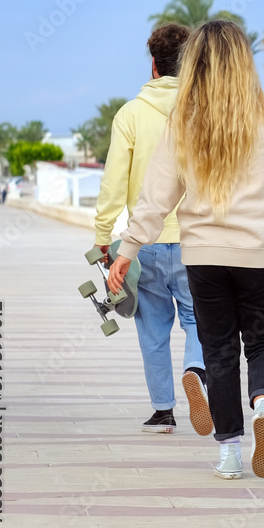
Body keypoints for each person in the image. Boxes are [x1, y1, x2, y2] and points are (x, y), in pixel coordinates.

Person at [107, 20, 264, 480]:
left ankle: (230, 452)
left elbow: (156, 197)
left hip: (204, 258)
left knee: (219, 350)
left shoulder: (183, 118)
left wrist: (127, 249)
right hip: (263, 255)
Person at [94, 23, 210, 437]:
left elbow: (113, 182)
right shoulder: (204, 111)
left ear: (154, 66)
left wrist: (103, 237)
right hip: (198, 240)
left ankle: (163, 412)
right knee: (200, 320)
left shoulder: (130, 113)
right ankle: (196, 370)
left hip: (143, 242)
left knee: (152, 328)